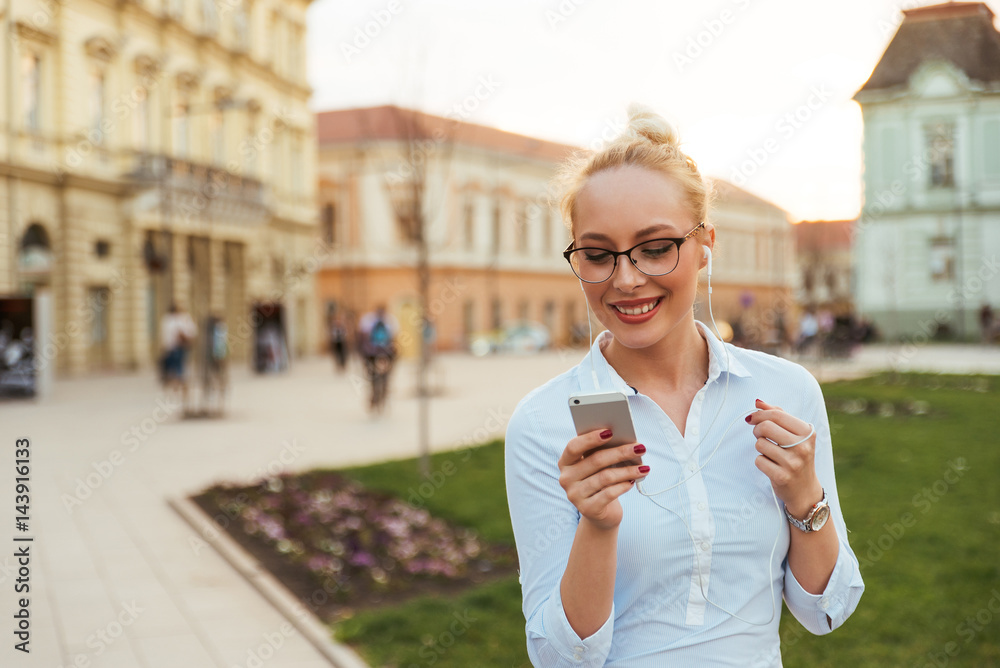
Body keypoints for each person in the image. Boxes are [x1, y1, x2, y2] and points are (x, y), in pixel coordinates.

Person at [504, 104, 863, 667]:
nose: (625, 279)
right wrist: (598, 526)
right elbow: (559, 658)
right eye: (597, 254)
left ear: (704, 245)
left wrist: (804, 500)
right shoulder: (544, 423)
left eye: (655, 247)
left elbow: (826, 610)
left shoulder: (785, 391)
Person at [358, 304, 399, 411]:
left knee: (378, 378)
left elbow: (362, 338)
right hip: (378, 355)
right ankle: (378, 397)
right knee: (380, 378)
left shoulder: (369, 320)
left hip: (375, 354)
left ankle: (378, 397)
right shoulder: (389, 321)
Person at [159, 303, 197, 408]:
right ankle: (182, 390)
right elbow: (189, 333)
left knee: (173, 369)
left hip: (170, 348)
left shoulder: (166, 319)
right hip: (178, 348)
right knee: (180, 369)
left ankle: (176, 391)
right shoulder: (180, 319)